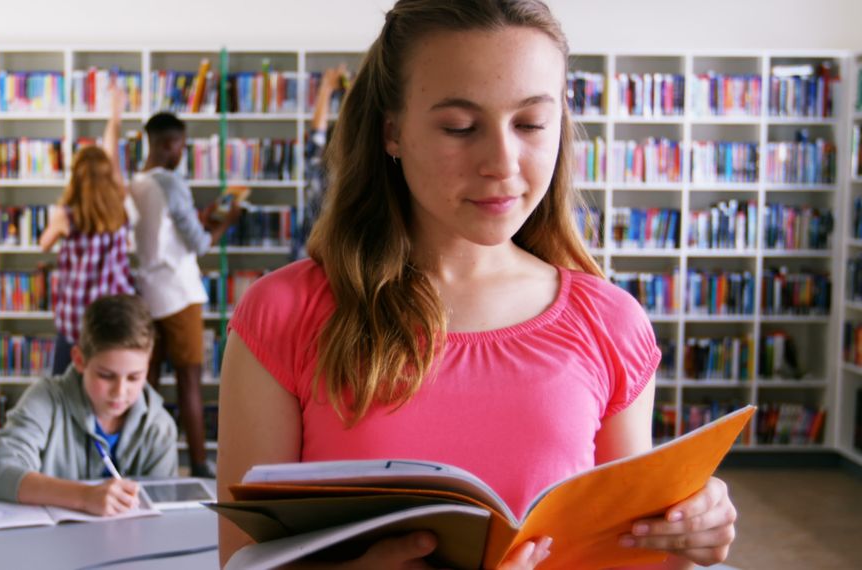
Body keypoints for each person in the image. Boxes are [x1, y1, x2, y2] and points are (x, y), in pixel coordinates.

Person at [217, 1, 738, 568]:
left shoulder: (611, 324)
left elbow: (623, 551)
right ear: (392, 130)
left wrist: (681, 542)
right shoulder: (283, 314)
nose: (501, 162)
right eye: (460, 127)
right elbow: (241, 560)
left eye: (532, 124)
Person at [0, 294, 178, 516]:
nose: (120, 392)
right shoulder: (45, 400)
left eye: (134, 377)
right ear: (79, 360)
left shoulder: (160, 427)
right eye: (106, 375)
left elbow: (163, 510)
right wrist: (83, 497)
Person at [128, 112, 240, 479]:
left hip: (147, 293)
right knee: (190, 382)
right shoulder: (171, 183)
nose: (182, 152)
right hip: (178, 293)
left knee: (146, 383)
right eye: (180, 145)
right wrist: (227, 219)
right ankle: (198, 463)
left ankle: (140, 461)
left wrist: (200, 218)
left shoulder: (135, 183)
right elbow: (200, 243)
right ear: (166, 144)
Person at [40, 86, 135, 376]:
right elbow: (112, 153)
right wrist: (114, 118)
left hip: (75, 320)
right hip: (113, 318)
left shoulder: (65, 215)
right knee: (106, 388)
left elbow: (44, 244)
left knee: (63, 387)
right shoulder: (119, 205)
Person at [293, 63, 348, 260]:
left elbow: (317, 134)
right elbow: (318, 133)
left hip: (313, 254)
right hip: (321, 255)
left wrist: (326, 88)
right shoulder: (325, 171)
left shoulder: (319, 167)